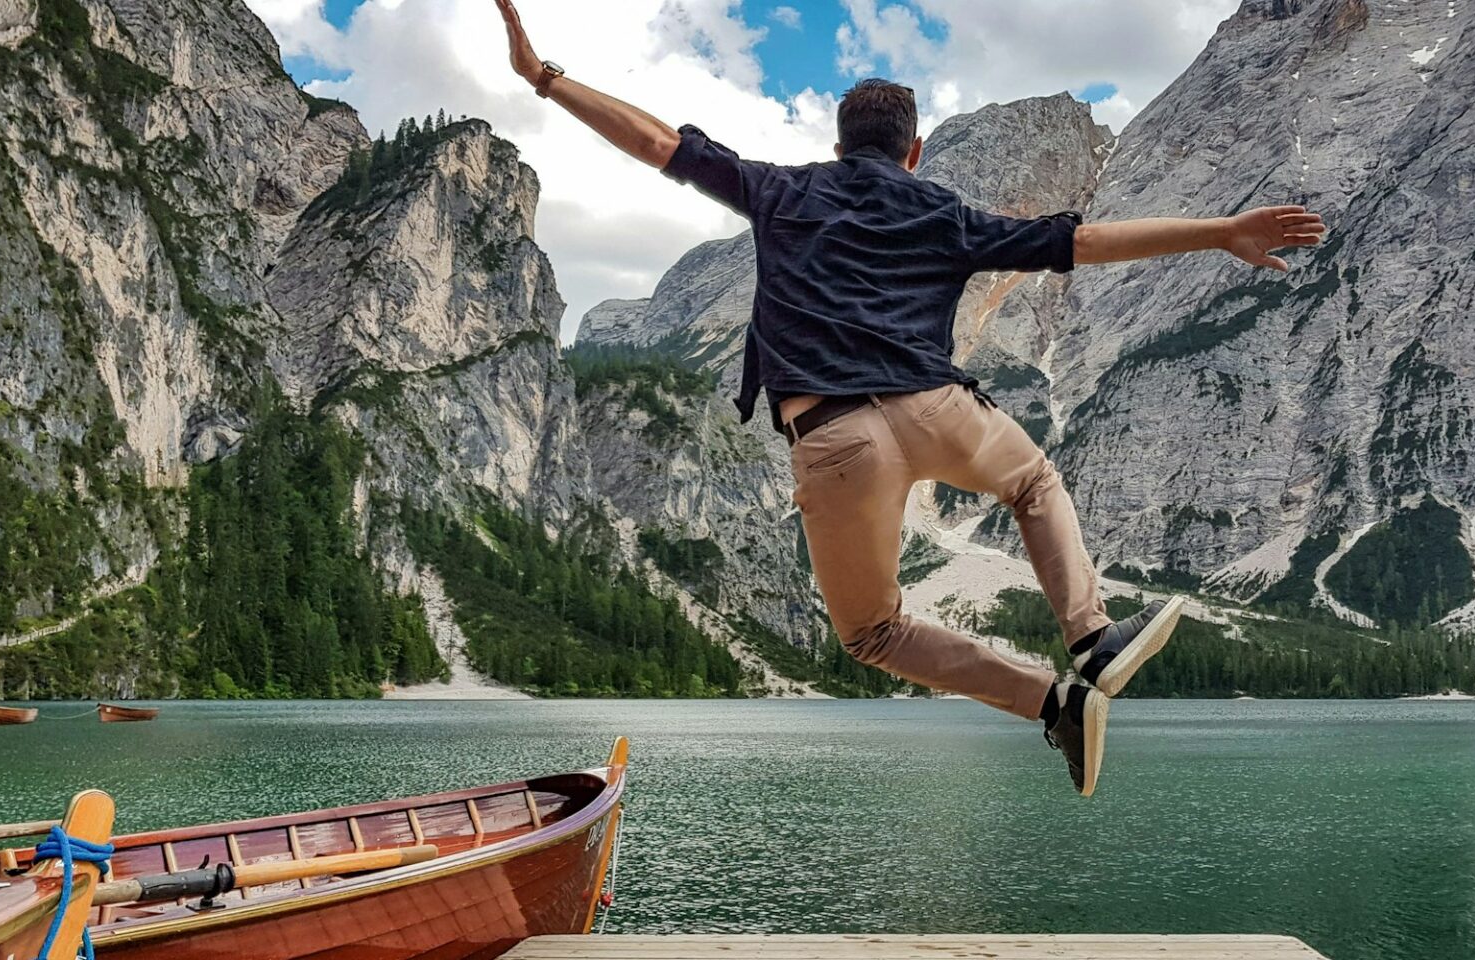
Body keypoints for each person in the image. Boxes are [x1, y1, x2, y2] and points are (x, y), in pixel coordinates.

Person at [493, 0, 1326, 795]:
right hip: (937, 410)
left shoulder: (781, 191)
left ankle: (1050, 702)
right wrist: (1220, 231)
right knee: (1034, 483)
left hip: (833, 438)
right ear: (914, 151)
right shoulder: (948, 213)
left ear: (840, 141)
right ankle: (1092, 639)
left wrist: (546, 77)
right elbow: (1079, 240)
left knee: (874, 634)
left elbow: (655, 141)